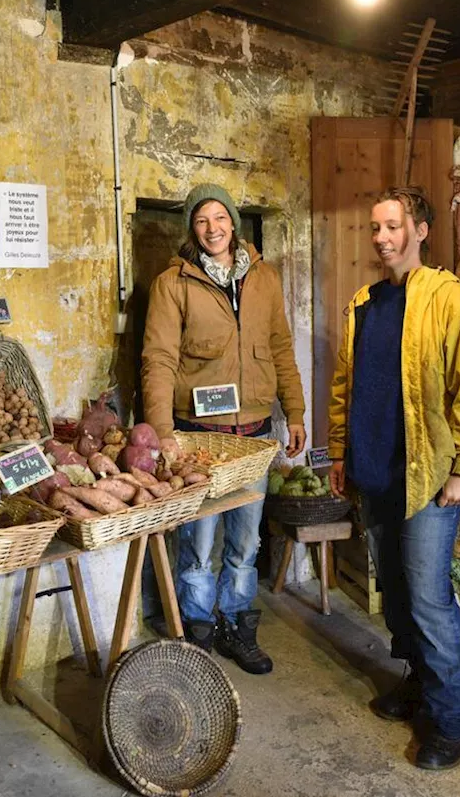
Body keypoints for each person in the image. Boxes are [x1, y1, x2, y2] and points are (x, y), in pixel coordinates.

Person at [326, 186, 460, 770]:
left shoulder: (450, 301)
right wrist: (338, 454)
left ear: (420, 231)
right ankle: (422, 683)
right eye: (376, 227)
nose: (382, 238)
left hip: (428, 476)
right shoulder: (363, 304)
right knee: (397, 596)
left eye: (393, 226)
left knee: (428, 599)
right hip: (376, 472)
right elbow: (345, 389)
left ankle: (455, 717)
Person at [142, 182, 306, 675]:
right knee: (199, 542)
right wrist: (162, 431)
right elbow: (158, 360)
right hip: (200, 437)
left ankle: (238, 624)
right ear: (192, 229)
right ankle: (199, 630)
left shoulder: (264, 278)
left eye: (220, 218)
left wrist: (294, 412)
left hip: (253, 436)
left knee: (247, 542)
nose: (213, 229)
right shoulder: (173, 284)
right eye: (201, 220)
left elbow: (280, 348)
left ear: (233, 222)